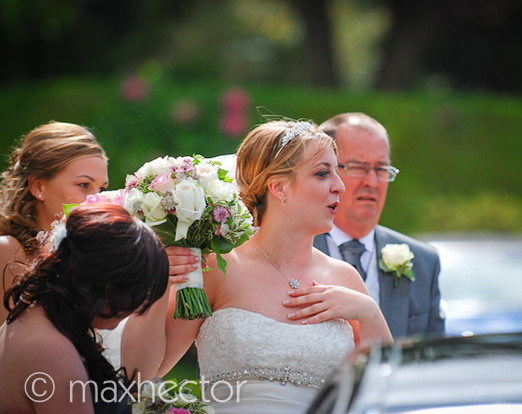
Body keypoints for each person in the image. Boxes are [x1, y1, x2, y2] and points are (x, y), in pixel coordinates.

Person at [157, 120, 393, 414]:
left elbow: (385, 394)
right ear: (279, 187)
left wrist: (368, 312)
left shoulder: (345, 278)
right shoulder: (216, 269)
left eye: (337, 171)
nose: (340, 186)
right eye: (323, 173)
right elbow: (152, 367)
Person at [0, 121, 199, 377]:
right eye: (84, 185)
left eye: (101, 188)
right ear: (38, 186)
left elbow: (138, 377)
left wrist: (158, 280)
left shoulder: (104, 259)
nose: (96, 199)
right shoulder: (8, 252)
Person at [0, 203, 170, 413]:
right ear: (109, 286)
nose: (139, 304)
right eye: (139, 292)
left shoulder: (33, 313)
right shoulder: (54, 354)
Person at [313, 113, 444, 339]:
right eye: (358, 167)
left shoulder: (424, 261)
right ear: (325, 171)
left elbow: (435, 361)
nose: (372, 182)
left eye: (382, 169)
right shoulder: (292, 251)